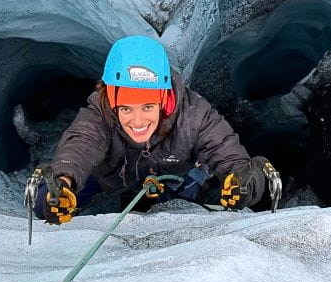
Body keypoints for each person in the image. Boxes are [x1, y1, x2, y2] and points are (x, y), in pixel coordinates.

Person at [33, 35, 280, 224]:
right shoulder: (100, 111)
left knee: (176, 212)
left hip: (173, 179)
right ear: (111, 99)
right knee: (46, 199)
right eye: (126, 109)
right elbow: (81, 144)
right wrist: (63, 182)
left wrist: (244, 185)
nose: (138, 121)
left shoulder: (195, 115)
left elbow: (230, 156)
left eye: (148, 106)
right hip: (112, 176)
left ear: (164, 100)